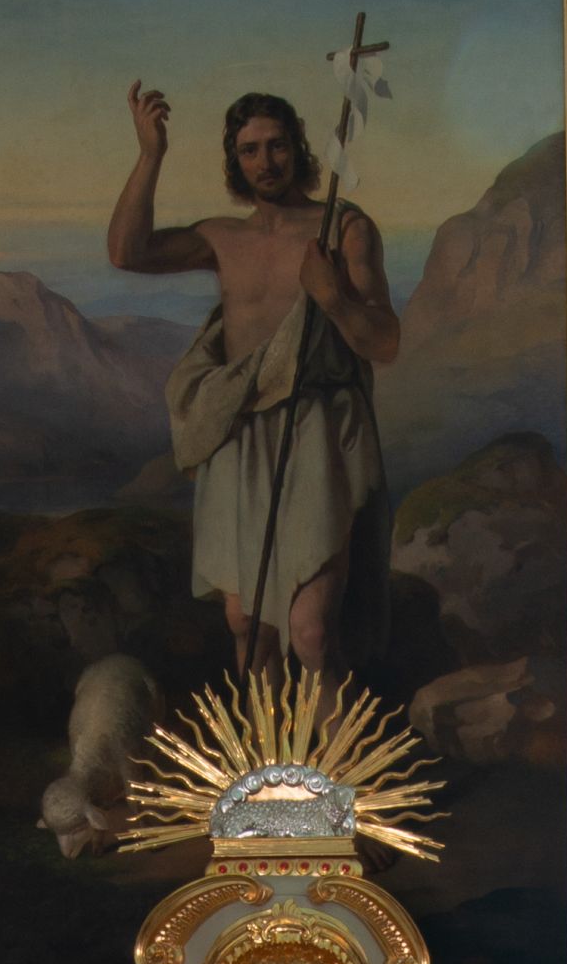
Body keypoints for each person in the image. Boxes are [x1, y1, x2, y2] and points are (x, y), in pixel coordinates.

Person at [109, 84, 399, 675]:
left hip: (316, 432)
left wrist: (333, 297)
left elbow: (384, 342)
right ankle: (263, 740)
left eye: (276, 146)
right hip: (240, 438)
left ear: (298, 149)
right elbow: (126, 252)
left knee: (312, 633)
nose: (265, 162)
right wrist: (150, 154)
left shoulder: (343, 227)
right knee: (247, 628)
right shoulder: (224, 237)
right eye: (249, 150)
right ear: (234, 160)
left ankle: (329, 739)